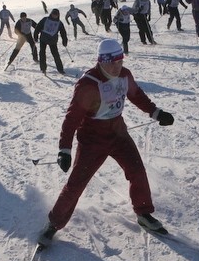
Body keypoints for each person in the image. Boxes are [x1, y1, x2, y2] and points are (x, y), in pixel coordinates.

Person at [37, 38, 175, 247]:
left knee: (137, 171)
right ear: (101, 60)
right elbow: (72, 117)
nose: (117, 66)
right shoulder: (88, 83)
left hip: (118, 133)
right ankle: (53, 224)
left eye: (120, 61)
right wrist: (64, 149)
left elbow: (137, 96)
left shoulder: (124, 75)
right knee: (76, 183)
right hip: (92, 139)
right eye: (112, 62)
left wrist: (156, 112)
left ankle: (144, 213)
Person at [33, 8, 68, 75]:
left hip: (53, 41)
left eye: (56, 15)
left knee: (56, 55)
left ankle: (60, 69)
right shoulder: (45, 19)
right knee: (42, 53)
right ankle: (43, 68)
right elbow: (38, 27)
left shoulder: (59, 23)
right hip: (43, 39)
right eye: (53, 14)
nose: (54, 16)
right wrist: (35, 36)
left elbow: (63, 32)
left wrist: (64, 41)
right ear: (51, 14)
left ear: (58, 15)